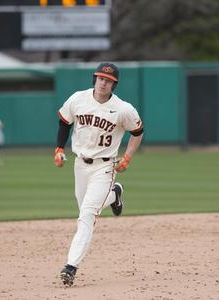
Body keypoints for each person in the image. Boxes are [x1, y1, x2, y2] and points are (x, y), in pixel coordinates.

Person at [54, 62, 144, 286]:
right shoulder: (78, 99)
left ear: (114, 84)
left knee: (87, 215)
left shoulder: (123, 109)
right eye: (100, 78)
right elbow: (64, 121)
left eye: (109, 80)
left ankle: (71, 266)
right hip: (80, 165)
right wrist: (59, 149)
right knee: (85, 206)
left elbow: (138, 132)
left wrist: (127, 158)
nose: (103, 83)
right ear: (95, 79)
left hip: (104, 167)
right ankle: (115, 195)